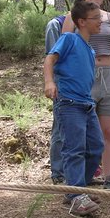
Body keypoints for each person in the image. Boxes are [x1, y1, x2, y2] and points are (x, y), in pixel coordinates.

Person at [62, 0, 110, 190]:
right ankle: (79, 181)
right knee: (82, 131)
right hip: (84, 75)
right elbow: (64, 48)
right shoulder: (72, 18)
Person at [43, 0, 105, 216]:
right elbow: (50, 60)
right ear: (82, 21)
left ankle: (77, 189)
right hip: (69, 104)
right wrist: (49, 82)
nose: (101, 21)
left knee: (96, 146)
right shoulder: (68, 38)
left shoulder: (89, 49)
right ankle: (77, 197)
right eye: (96, 18)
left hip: (86, 105)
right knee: (74, 149)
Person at [45, 14, 66, 185]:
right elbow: (52, 59)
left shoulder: (91, 23)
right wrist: (52, 82)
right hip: (63, 85)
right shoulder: (56, 25)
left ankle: (83, 172)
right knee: (60, 127)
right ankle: (58, 173)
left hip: (84, 83)